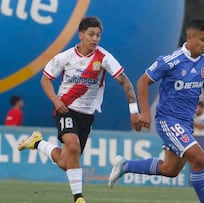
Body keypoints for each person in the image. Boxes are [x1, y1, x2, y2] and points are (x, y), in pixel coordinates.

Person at [17, 16, 140, 203]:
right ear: (81, 35)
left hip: (87, 116)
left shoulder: (104, 57)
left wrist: (134, 111)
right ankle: (79, 198)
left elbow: (125, 81)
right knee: (73, 146)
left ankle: (37, 143)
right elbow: (45, 78)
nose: (95, 39)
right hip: (65, 109)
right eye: (91, 34)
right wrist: (55, 100)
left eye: (98, 35)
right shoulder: (65, 57)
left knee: (67, 162)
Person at [108, 18, 204, 203]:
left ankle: (125, 166)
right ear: (189, 37)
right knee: (198, 158)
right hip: (168, 120)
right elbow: (142, 81)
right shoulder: (170, 61)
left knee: (170, 170)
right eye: (202, 39)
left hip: (185, 122)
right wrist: (144, 112)